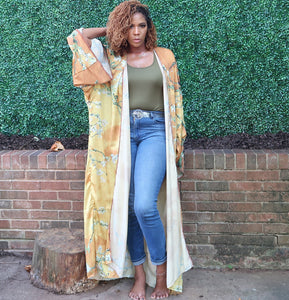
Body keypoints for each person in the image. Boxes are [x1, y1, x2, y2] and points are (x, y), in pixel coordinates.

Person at [67, 1, 192, 299]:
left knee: (144, 205)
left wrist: (176, 144)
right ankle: (139, 275)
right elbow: (79, 38)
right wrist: (112, 29)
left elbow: (175, 103)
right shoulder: (114, 58)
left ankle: (161, 275)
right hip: (122, 135)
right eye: (130, 25)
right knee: (129, 205)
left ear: (149, 28)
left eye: (141, 25)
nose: (136, 32)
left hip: (155, 132)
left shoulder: (164, 58)